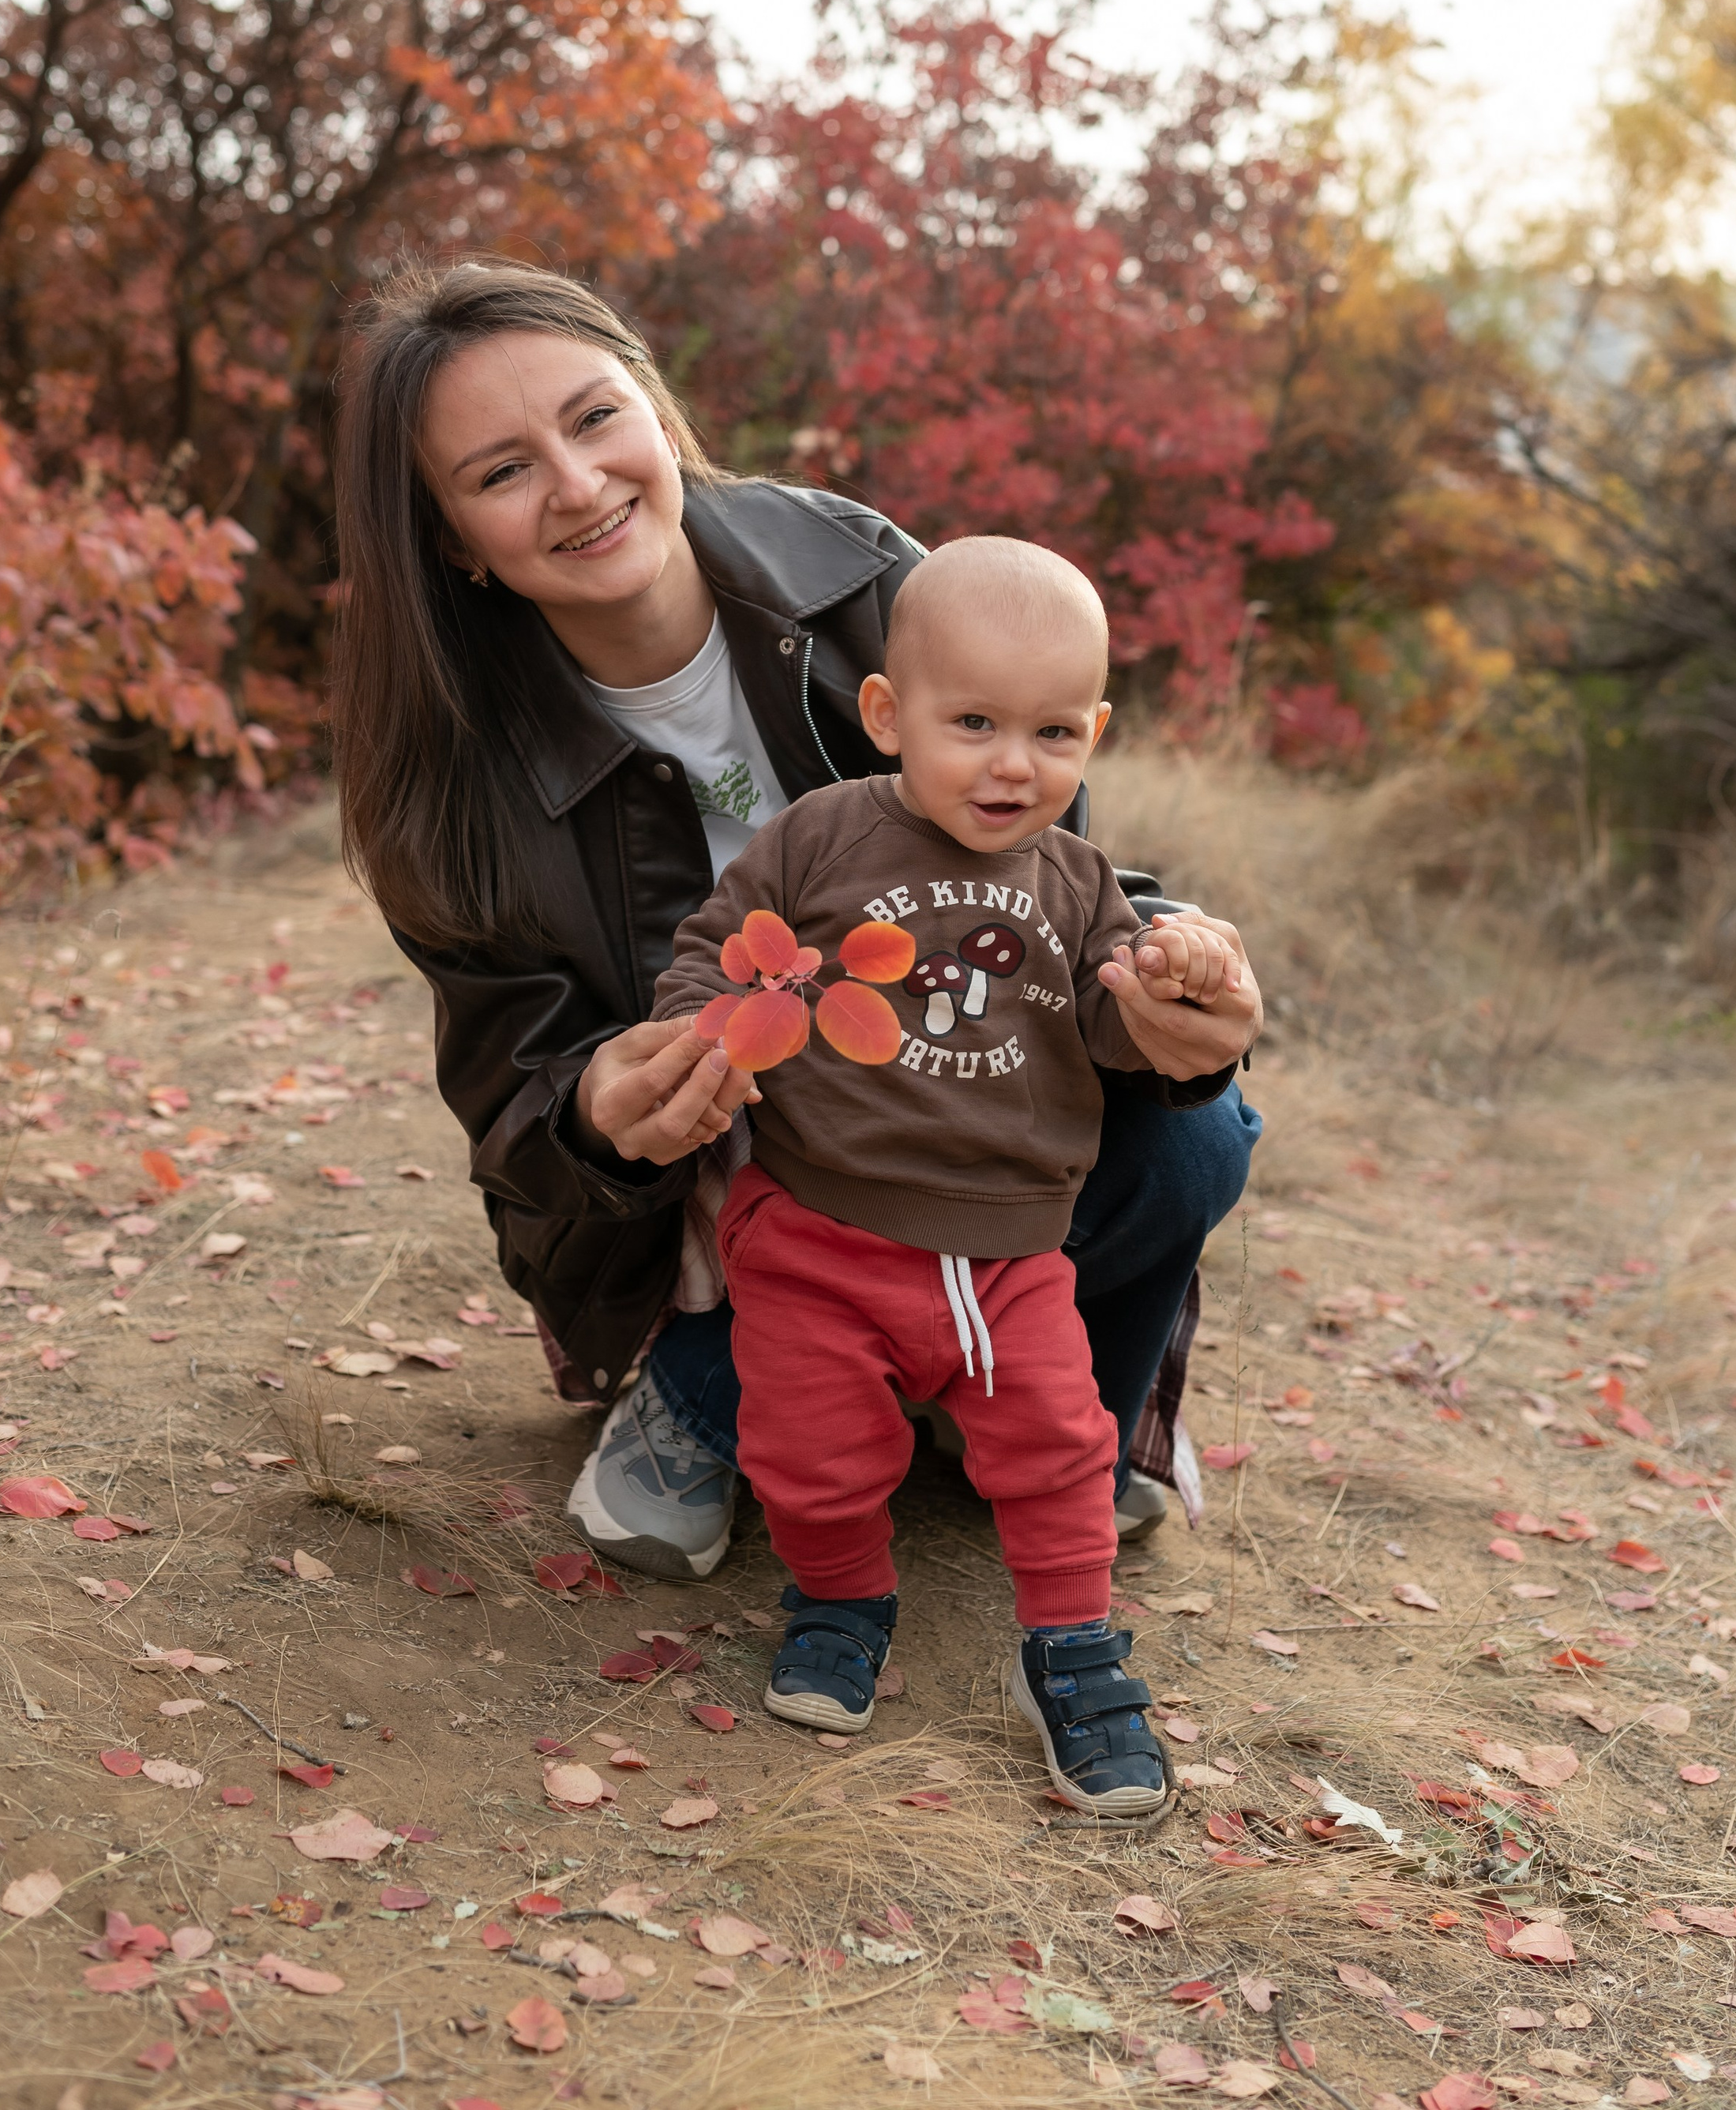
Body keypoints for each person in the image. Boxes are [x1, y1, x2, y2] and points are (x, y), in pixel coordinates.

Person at [332, 257, 1263, 1588]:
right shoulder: (449, 786)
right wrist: (599, 1111)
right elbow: (511, 1108)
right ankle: (707, 1387)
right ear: (449, 540)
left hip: (949, 1099)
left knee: (1197, 1134)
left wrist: (1175, 980)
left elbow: (1053, 876)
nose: (580, 485)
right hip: (709, 1197)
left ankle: (1019, 1395)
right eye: (501, 472)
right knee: (756, 1227)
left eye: (596, 418)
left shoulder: (868, 580)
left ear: (654, 408)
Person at [650, 535, 1244, 1815]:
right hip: (818, 1228)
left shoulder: (1084, 888)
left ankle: (1072, 1651)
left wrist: (1178, 996)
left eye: (1051, 733)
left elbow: (1117, 1031)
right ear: (887, 714)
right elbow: (713, 949)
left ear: (1093, 734)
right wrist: (697, 1040)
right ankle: (842, 1600)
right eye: (971, 722)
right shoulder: (820, 838)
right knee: (811, 1452)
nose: (1012, 764)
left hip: (1010, 1256)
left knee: (1054, 1449)